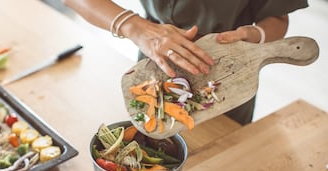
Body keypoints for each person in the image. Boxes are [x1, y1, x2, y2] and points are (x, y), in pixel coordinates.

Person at [62, 0, 308, 125]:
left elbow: (277, 15)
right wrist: (137, 28)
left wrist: (252, 37)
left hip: (228, 74)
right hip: (155, 64)